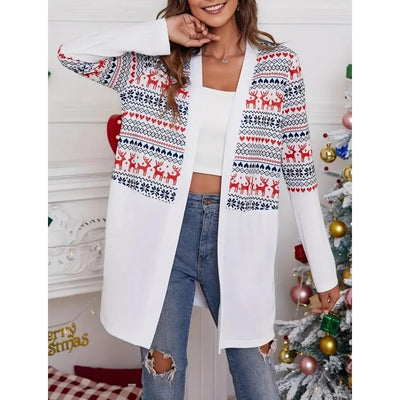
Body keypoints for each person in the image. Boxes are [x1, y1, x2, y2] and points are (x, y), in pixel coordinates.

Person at [58, 0, 340, 398]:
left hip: (239, 234)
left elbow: (299, 171)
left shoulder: (279, 66)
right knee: (162, 376)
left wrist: (324, 270)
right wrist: (162, 33)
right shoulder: (154, 64)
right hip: (162, 236)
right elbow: (71, 54)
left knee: (256, 376)